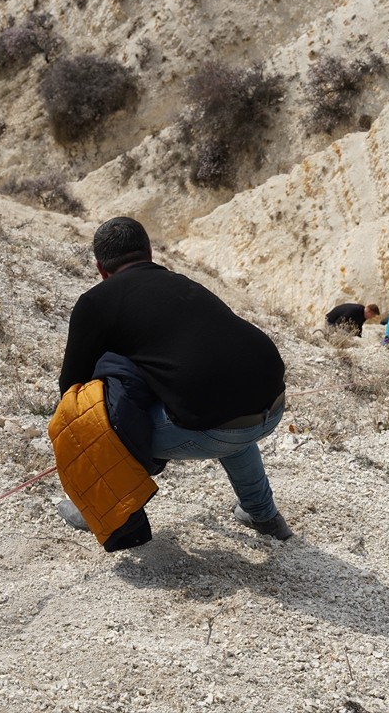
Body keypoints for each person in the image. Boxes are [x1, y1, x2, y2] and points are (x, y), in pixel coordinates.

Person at [57, 217, 292, 540]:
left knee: (97, 414)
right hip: (272, 406)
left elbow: (71, 390)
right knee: (227, 406)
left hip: (218, 428)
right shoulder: (182, 283)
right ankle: (264, 516)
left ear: (100, 268)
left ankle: (99, 511)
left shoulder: (95, 302)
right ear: (149, 252)